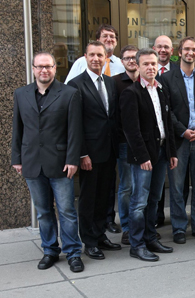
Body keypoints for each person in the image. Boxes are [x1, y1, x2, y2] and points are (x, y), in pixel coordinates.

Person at [11, 52, 84, 272]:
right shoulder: (21, 94)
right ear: (33, 69)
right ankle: (50, 250)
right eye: (40, 66)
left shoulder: (69, 94)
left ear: (55, 68)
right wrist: (17, 158)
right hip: (32, 162)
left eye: (48, 66)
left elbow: (75, 131)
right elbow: (18, 128)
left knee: (67, 211)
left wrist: (73, 160)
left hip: (61, 162)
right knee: (43, 211)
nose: (44, 70)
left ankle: (73, 253)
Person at [120, 48, 177, 261]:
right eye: (146, 64)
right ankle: (137, 244)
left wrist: (171, 152)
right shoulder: (131, 93)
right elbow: (131, 131)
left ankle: (151, 237)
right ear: (138, 66)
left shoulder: (161, 89)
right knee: (139, 202)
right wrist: (143, 157)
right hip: (143, 157)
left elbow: (167, 124)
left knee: (155, 198)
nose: (150, 67)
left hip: (161, 152)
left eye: (153, 63)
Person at [67, 41, 121, 260]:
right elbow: (74, 123)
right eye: (92, 55)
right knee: (89, 198)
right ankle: (89, 241)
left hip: (109, 150)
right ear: (85, 57)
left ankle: (100, 235)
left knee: (104, 197)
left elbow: (112, 117)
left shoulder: (110, 82)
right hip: (89, 153)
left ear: (106, 58)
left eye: (100, 55)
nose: (97, 59)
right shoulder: (75, 84)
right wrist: (81, 154)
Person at [160, 36, 195, 244]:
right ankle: (179, 228)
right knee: (176, 187)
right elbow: (168, 111)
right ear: (179, 52)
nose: (190, 53)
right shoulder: (167, 79)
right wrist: (183, 131)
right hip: (179, 139)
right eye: (186, 49)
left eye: (194, 50)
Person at [112, 45, 139, 245]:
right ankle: (127, 228)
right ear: (121, 61)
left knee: (143, 186)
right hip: (124, 143)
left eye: (134, 57)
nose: (131, 61)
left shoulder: (147, 81)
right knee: (127, 186)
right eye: (127, 58)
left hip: (145, 144)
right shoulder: (114, 83)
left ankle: (142, 225)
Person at [152, 35, 181, 228]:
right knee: (156, 180)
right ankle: (156, 216)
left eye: (167, 48)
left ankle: (177, 217)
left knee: (176, 180)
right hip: (154, 135)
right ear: (154, 48)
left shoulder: (180, 72)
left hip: (175, 133)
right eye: (159, 47)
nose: (163, 50)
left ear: (172, 52)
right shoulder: (146, 70)